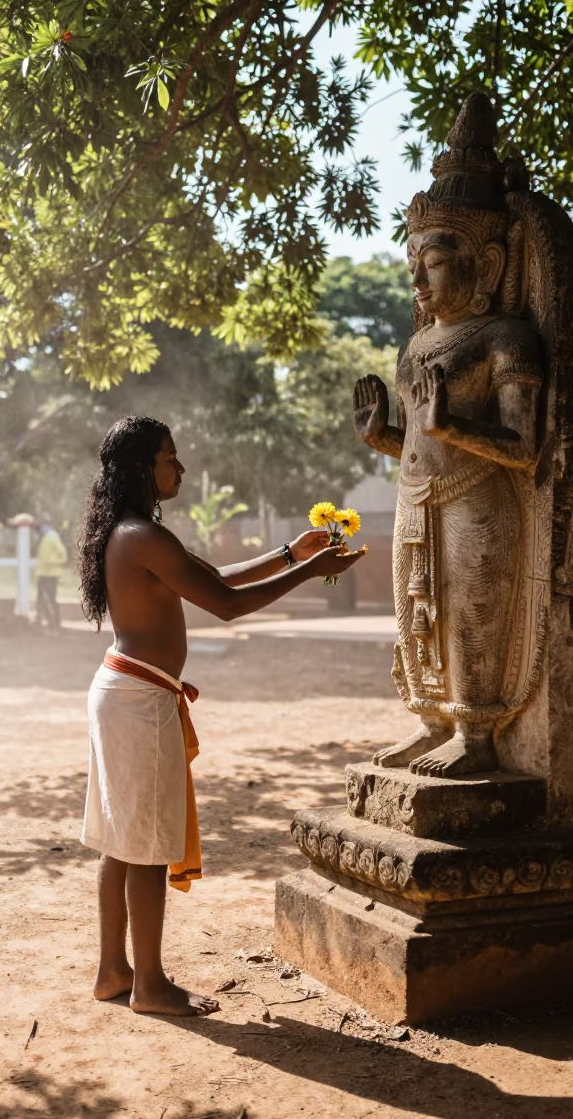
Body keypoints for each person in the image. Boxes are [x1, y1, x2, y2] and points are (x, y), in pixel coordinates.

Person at [77, 415, 364, 1017]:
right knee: (146, 844)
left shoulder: (134, 532)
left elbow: (213, 578)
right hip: (136, 701)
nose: (179, 469)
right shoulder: (141, 535)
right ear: (140, 469)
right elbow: (228, 606)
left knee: (123, 841)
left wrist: (292, 552)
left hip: (125, 692)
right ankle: (149, 986)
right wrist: (310, 574)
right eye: (169, 459)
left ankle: (114, 971)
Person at [35, 518, 68, 632]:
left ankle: (54, 626)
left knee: (48, 599)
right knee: (42, 599)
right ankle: (45, 624)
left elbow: (63, 555)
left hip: (50, 574)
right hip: (44, 573)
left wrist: (51, 562)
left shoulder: (52, 537)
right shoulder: (46, 537)